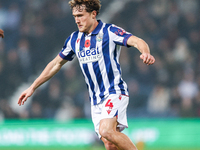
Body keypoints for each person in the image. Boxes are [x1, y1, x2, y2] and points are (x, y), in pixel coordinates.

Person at [18, 0, 155, 150]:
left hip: (114, 92)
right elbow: (55, 64)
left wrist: (145, 52)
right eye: (75, 16)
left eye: (81, 15)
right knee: (110, 144)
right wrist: (32, 87)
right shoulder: (74, 39)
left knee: (106, 131)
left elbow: (136, 41)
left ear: (93, 14)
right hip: (95, 101)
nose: (77, 20)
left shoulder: (109, 31)